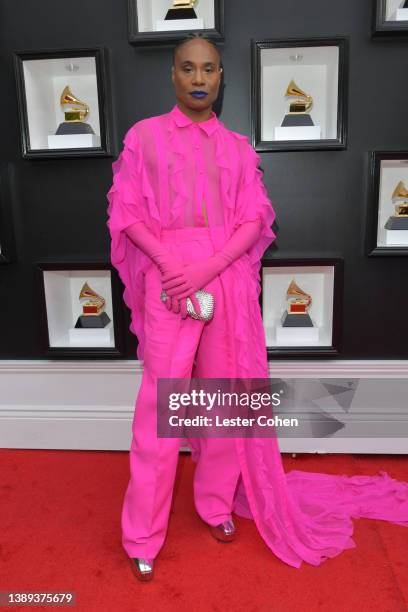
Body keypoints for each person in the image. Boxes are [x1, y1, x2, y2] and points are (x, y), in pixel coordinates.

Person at [107, 33, 408, 582]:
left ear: (222, 79)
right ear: (172, 75)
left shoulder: (239, 149)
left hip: (224, 280)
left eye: (209, 70)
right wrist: (173, 264)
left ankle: (215, 505)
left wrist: (207, 265)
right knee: (159, 411)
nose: (199, 78)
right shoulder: (143, 139)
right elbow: (127, 213)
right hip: (167, 279)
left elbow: (253, 220)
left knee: (224, 401)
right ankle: (141, 534)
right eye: (188, 68)